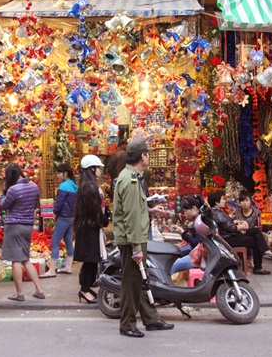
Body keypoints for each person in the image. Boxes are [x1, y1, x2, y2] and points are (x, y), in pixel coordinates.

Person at [113, 138, 174, 338]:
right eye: (147, 153)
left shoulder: (132, 176)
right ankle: (127, 324)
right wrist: (136, 247)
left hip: (135, 238)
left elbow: (134, 209)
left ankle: (151, 318)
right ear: (142, 156)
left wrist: (148, 210)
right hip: (133, 240)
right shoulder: (130, 180)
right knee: (131, 283)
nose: (149, 156)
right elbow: (130, 217)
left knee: (139, 279)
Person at [0, 163, 45, 301]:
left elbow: (3, 206)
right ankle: (39, 290)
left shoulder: (13, 189)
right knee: (25, 259)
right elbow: (36, 204)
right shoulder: (33, 186)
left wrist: (4, 193)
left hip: (14, 225)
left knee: (16, 260)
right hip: (28, 225)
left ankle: (19, 293)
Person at [207, 191, 272, 275]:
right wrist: (242, 226)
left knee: (256, 231)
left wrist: (239, 222)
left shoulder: (214, 212)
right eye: (222, 199)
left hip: (228, 235)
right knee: (256, 241)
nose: (224, 201)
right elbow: (232, 228)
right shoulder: (218, 214)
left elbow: (228, 223)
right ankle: (259, 266)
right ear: (216, 202)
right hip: (229, 238)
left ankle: (266, 251)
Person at [72, 155, 109, 303]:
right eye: (98, 168)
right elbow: (93, 210)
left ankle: (87, 287)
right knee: (90, 259)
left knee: (93, 259)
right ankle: (85, 289)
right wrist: (103, 220)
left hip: (91, 226)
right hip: (89, 228)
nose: (100, 170)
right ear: (92, 169)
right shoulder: (89, 187)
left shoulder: (91, 184)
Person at [41, 163, 77, 278]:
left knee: (54, 242)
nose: (57, 175)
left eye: (59, 173)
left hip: (63, 217)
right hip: (72, 217)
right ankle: (69, 266)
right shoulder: (74, 185)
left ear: (65, 174)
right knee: (68, 241)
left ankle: (52, 269)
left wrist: (54, 212)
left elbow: (59, 203)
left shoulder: (63, 186)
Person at [170, 195, 205, 275]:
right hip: (199, 254)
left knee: (173, 266)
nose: (185, 214)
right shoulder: (199, 220)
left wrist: (183, 233)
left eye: (186, 211)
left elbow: (196, 243)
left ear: (194, 208)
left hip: (200, 257)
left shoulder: (199, 223)